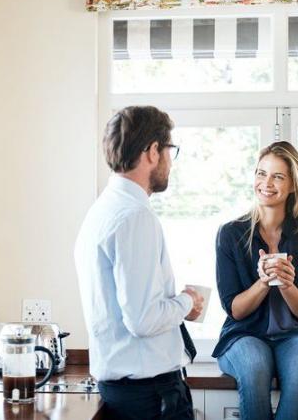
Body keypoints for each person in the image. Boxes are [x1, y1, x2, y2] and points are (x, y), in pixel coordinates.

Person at [74, 105, 204, 420]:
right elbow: (143, 319)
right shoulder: (135, 217)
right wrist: (188, 301)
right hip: (151, 397)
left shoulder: (102, 210)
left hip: (127, 393)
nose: (171, 161)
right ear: (151, 151)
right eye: (170, 150)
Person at [213, 141, 298, 420]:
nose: (266, 183)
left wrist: (287, 285)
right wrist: (263, 282)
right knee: (254, 367)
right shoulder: (231, 234)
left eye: (278, 176)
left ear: (293, 185)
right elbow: (235, 310)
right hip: (244, 335)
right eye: (261, 173)